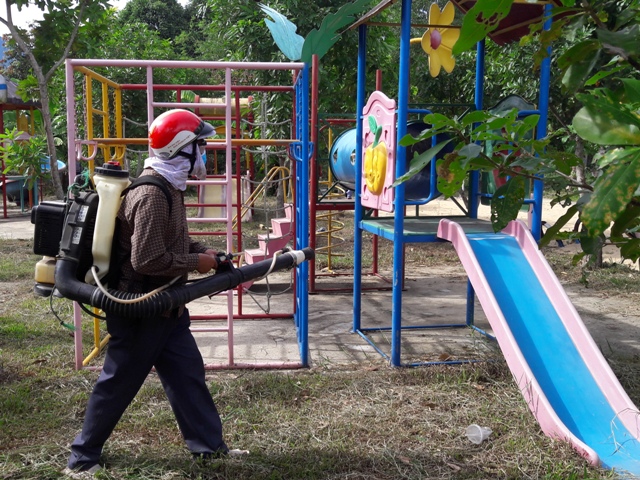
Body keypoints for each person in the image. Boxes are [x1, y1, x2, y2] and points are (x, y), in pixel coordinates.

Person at [65, 109, 246, 478]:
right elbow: (147, 259)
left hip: (168, 310)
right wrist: (197, 263)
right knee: (118, 384)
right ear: (181, 149)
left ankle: (209, 449)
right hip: (141, 311)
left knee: (187, 377)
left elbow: (173, 242)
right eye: (200, 146)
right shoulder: (152, 194)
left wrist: (207, 252)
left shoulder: (170, 187)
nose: (204, 154)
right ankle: (82, 458)